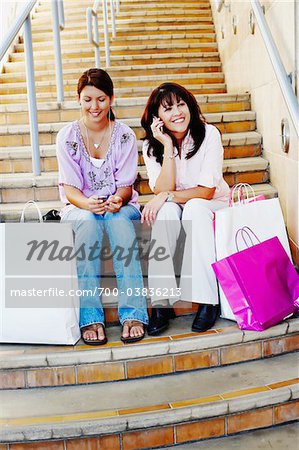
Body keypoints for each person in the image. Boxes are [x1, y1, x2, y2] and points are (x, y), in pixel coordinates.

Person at [56, 68, 148, 345]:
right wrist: (88, 203)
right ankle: (90, 317)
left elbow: (126, 185)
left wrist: (117, 198)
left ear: (111, 99)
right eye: (87, 100)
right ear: (79, 100)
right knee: (86, 223)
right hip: (80, 206)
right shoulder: (67, 136)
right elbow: (69, 189)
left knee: (119, 221)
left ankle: (134, 314)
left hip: (119, 204)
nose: (94, 107)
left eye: (100, 99)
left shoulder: (124, 136)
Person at [140, 82, 230, 335]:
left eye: (181, 105)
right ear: (158, 118)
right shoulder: (151, 146)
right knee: (166, 213)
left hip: (211, 204)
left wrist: (166, 195)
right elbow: (162, 189)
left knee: (194, 209)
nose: (177, 112)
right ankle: (161, 302)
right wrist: (167, 146)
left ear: (190, 106)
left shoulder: (209, 134)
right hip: (178, 204)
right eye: (168, 109)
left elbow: (206, 191)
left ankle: (207, 300)